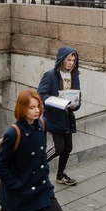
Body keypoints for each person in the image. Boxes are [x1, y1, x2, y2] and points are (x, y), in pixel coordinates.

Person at [38, 46, 81, 186]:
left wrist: (75, 105)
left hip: (68, 116)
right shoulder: (51, 75)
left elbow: (78, 97)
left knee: (68, 147)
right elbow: (41, 94)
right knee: (59, 148)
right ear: (62, 60)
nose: (71, 63)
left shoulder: (75, 75)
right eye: (68, 59)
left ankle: (60, 174)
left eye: (73, 60)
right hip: (55, 116)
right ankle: (37, 164)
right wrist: (55, 101)